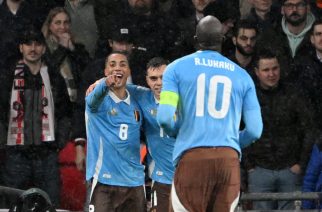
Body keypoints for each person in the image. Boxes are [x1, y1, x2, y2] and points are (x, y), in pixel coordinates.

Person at [157, 15, 263, 212]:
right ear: (222, 41)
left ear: (196, 40)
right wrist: (229, 142)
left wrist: (178, 133)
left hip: (192, 158)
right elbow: (255, 131)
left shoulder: (175, 69)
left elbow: (164, 117)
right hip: (228, 162)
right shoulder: (242, 76)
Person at [0, 27, 75, 207]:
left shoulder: (55, 77)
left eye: (37, 44)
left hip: (47, 155)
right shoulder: (8, 76)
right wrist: (4, 141)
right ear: (21, 48)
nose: (33, 48)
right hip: (16, 155)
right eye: (28, 44)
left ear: (43, 48)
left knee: (50, 205)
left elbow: (66, 113)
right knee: (12, 206)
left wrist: (59, 141)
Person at [242, 48, 314, 210]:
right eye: (266, 70)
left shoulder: (294, 93)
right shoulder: (249, 96)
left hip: (289, 169)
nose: (271, 74)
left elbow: (309, 129)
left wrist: (300, 164)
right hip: (258, 170)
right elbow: (238, 129)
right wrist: (248, 165)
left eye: (275, 68)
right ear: (257, 72)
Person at [85, 51, 145, 212]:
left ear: (129, 71)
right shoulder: (96, 98)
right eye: (112, 65)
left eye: (122, 64)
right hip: (104, 182)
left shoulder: (138, 100)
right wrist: (104, 83)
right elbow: (91, 101)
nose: (117, 68)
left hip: (134, 183)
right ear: (105, 71)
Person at [127, 57, 175, 212]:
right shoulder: (142, 96)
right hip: (160, 177)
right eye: (154, 78)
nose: (159, 83)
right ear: (147, 80)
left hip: (186, 175)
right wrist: (100, 83)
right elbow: (117, 84)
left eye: (163, 77)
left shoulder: (186, 99)